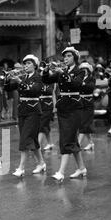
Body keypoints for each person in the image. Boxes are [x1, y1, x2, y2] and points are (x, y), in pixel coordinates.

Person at [42, 47, 87, 182]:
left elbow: (76, 85)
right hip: (63, 108)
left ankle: (61, 172)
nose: (65, 59)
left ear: (74, 58)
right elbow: (47, 80)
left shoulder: (80, 71)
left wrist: (63, 73)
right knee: (71, 139)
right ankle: (82, 168)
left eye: (68, 56)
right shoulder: (63, 71)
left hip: (74, 108)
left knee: (66, 139)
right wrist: (46, 70)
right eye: (65, 57)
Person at [5, 55, 47, 177]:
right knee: (32, 139)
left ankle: (21, 168)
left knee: (24, 138)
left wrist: (20, 82)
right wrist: (8, 78)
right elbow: (8, 88)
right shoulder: (23, 77)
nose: (26, 65)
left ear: (35, 65)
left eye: (29, 63)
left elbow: (34, 91)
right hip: (23, 110)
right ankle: (41, 163)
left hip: (34, 110)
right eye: (25, 63)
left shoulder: (38, 77)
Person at [78, 62, 96, 151]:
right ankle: (91, 143)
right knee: (83, 123)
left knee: (84, 123)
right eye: (82, 70)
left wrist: (83, 84)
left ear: (88, 71)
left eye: (85, 70)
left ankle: (78, 143)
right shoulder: (79, 78)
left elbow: (91, 87)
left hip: (88, 102)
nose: (83, 71)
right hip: (80, 102)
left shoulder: (91, 78)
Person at [39, 77, 56, 152]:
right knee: (45, 126)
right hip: (40, 106)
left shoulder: (52, 82)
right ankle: (50, 143)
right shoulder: (38, 82)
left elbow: (53, 94)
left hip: (48, 106)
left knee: (42, 125)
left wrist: (55, 107)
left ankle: (38, 145)